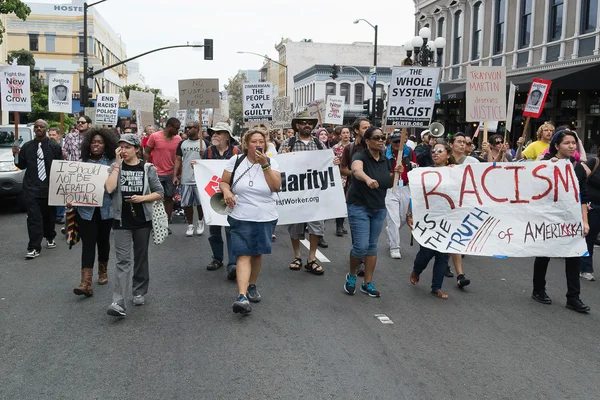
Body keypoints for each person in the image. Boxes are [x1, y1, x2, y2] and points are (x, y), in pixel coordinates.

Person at [219, 127, 281, 314]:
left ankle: (252, 285)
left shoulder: (272, 162)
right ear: (246, 144)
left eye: (261, 142)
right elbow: (223, 182)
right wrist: (227, 191)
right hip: (240, 214)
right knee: (243, 254)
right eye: (254, 141)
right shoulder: (235, 161)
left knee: (257, 253)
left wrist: (265, 166)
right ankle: (242, 295)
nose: (258, 145)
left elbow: (276, 186)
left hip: (264, 215)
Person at [105, 134, 164, 318]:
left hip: (142, 221)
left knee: (140, 257)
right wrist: (116, 164)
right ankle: (118, 301)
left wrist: (142, 199)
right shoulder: (115, 168)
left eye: (128, 147)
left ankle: (139, 291)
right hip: (121, 221)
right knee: (123, 261)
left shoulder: (147, 169)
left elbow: (159, 192)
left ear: (137, 149)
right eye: (121, 147)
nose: (123, 150)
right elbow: (109, 188)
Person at [532, 128, 590, 313]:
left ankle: (573, 297)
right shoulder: (546, 165)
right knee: (544, 254)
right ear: (556, 146)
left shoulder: (579, 168)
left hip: (571, 219)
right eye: (567, 143)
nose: (571, 146)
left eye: (573, 143)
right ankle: (538, 289)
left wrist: (584, 221)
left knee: (574, 256)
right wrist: (548, 165)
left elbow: (582, 196)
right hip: (549, 217)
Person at [343, 126, 402, 298]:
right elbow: (356, 170)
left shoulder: (386, 160)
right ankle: (352, 275)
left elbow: (388, 184)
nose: (380, 140)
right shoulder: (360, 155)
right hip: (359, 206)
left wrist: (394, 175)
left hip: (378, 208)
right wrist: (367, 179)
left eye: (382, 138)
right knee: (360, 247)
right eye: (376, 138)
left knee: (372, 246)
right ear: (367, 141)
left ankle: (367, 283)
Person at [279, 111, 340, 273]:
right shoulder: (288, 143)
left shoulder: (319, 144)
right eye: (303, 122)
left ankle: (312, 258)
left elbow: (326, 164)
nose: (307, 125)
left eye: (310, 122)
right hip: (295, 193)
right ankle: (297, 255)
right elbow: (278, 166)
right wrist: (284, 157)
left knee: (316, 226)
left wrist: (334, 162)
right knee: (295, 226)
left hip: (315, 193)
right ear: (297, 125)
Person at [72, 128, 117, 297]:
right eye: (93, 142)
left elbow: (116, 187)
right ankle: (86, 282)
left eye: (100, 142)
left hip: (106, 209)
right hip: (86, 211)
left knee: (103, 241)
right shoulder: (80, 163)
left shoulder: (112, 163)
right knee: (88, 243)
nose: (96, 145)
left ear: (106, 145)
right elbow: (73, 187)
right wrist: (70, 199)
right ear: (88, 144)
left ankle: (103, 270)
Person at [407, 141, 455, 299]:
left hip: (447, 219)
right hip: (429, 219)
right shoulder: (425, 173)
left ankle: (437, 287)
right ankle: (417, 270)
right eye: (434, 151)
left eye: (440, 151)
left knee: (443, 255)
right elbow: (416, 194)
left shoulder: (455, 173)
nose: (435, 153)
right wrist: (410, 213)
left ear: (448, 155)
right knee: (426, 252)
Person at [13, 120, 63, 259]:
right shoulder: (27, 147)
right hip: (31, 188)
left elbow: (60, 167)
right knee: (34, 218)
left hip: (49, 188)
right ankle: (34, 247)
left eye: (42, 126)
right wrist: (16, 154)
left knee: (49, 216)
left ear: (46, 129)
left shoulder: (54, 147)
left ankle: (50, 236)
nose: (39, 128)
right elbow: (21, 165)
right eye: (36, 127)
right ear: (34, 130)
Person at [202, 122, 241, 279]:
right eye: (213, 133)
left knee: (231, 229)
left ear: (227, 137)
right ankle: (217, 258)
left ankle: (233, 264)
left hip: (232, 194)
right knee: (214, 228)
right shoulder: (209, 152)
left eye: (218, 133)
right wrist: (197, 165)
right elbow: (204, 171)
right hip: (213, 195)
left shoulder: (237, 151)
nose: (214, 135)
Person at [340, 118, 371, 275]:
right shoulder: (350, 148)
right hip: (355, 194)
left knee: (371, 232)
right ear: (357, 131)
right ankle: (359, 261)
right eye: (365, 127)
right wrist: (357, 173)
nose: (368, 129)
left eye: (370, 127)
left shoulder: (377, 146)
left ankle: (367, 259)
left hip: (374, 194)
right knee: (358, 230)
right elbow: (342, 169)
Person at [447, 132, 477, 285]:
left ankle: (460, 275)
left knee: (455, 237)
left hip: (463, 205)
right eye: (459, 141)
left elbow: (490, 169)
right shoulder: (443, 159)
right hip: (445, 206)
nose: (462, 144)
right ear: (451, 144)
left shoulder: (471, 160)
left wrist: (499, 155)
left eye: (464, 142)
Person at [144, 117, 182, 230]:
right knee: (155, 198)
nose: (178, 131)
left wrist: (179, 174)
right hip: (156, 173)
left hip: (171, 173)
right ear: (169, 126)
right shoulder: (155, 136)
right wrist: (145, 167)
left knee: (169, 198)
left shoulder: (178, 139)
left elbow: (179, 158)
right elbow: (146, 152)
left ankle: (166, 224)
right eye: (176, 128)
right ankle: (154, 223)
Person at [385, 131, 416, 259]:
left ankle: (391, 232)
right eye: (395, 141)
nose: (398, 144)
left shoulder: (409, 152)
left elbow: (415, 166)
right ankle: (395, 247)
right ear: (391, 141)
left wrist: (413, 167)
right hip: (391, 188)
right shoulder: (384, 154)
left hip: (406, 187)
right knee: (393, 218)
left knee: (403, 217)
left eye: (400, 141)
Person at [173, 121, 207, 238]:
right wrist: (175, 175)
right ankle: (190, 224)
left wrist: (204, 155)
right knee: (187, 203)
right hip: (186, 177)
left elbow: (210, 160)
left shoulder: (204, 143)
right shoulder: (182, 143)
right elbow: (178, 159)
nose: (188, 129)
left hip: (200, 178)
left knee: (200, 203)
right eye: (187, 127)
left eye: (190, 128)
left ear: (197, 129)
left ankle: (200, 221)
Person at [581, 148, 600, 281]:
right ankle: (585, 269)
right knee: (590, 237)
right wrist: (584, 201)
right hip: (592, 206)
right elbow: (579, 180)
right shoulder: (594, 162)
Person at [332, 126, 351, 236]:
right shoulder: (335, 148)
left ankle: (342, 223)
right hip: (339, 177)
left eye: (347, 132)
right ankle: (339, 225)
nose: (345, 134)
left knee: (348, 201)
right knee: (340, 201)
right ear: (340, 135)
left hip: (351, 176)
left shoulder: (355, 147)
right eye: (343, 133)